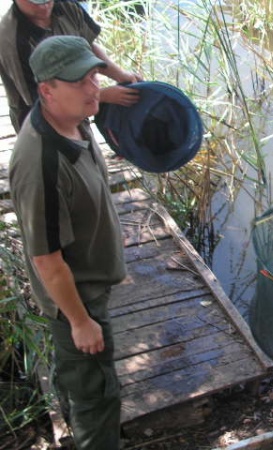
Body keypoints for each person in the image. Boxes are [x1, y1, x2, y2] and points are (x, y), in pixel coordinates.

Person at [9, 35, 127, 449]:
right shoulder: (39, 164)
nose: (94, 88)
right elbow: (46, 260)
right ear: (46, 90)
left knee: (82, 383)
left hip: (92, 278)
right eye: (80, 82)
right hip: (78, 297)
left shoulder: (76, 116)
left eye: (94, 76)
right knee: (97, 397)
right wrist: (79, 321)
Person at [0, 0, 141, 132]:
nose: (44, 5)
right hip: (42, 123)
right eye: (36, 1)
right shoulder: (10, 41)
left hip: (79, 109)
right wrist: (101, 95)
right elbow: (38, 99)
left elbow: (87, 46)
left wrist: (120, 75)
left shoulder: (67, 6)